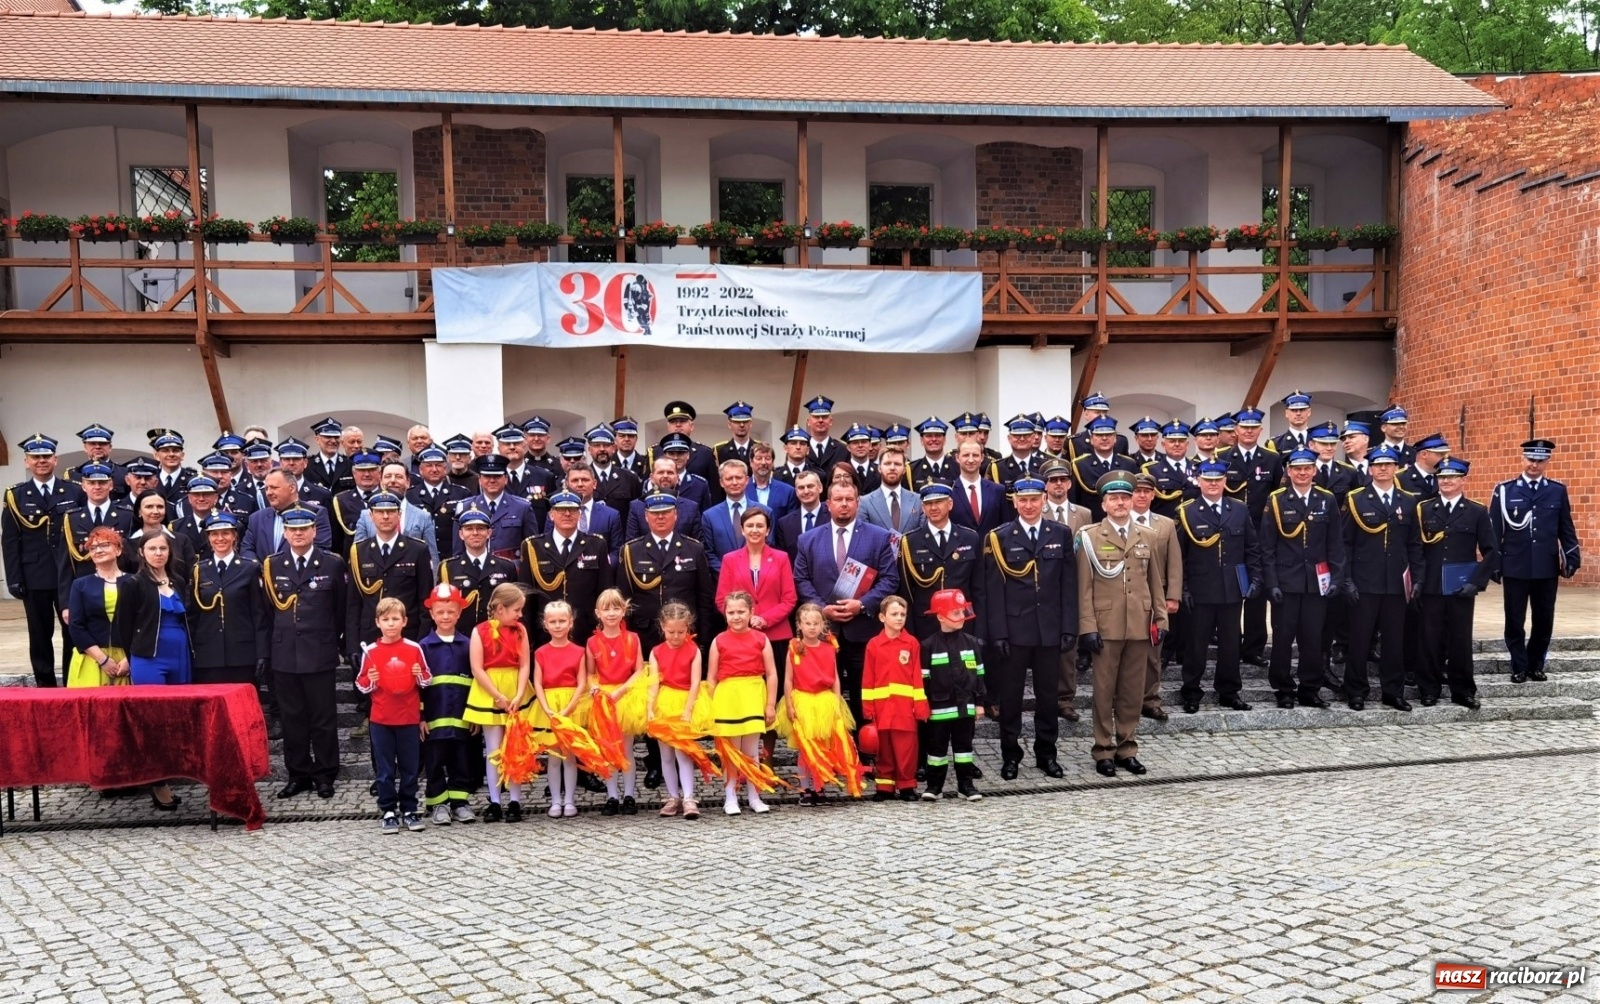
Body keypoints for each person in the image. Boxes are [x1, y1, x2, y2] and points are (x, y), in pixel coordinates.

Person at [979, 477, 1076, 780]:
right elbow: (992, 591)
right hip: (1014, 631)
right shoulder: (1000, 537)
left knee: (1048, 697)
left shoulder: (1060, 533)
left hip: (1049, 629)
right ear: (1015, 502)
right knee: (1010, 699)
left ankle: (1047, 754)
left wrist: (1068, 627)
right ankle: (1011, 756)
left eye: (1035, 499)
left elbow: (1069, 586)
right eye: (1023, 500)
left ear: (1044, 499)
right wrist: (999, 633)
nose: (1029, 505)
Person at [1076, 474, 1167, 778]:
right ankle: (1103, 749)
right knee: (1104, 691)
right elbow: (1083, 587)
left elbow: (1155, 581)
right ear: (1103, 503)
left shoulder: (1147, 535)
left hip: (1139, 625)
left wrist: (1160, 618)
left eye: (1125, 498)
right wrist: (1087, 626)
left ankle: (1127, 747)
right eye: (1113, 498)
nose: (1120, 503)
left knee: (1131, 691)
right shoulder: (1089, 536)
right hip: (1106, 625)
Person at [793, 480, 901, 727]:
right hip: (821, 633)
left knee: (862, 691)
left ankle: (863, 752)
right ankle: (830, 751)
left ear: (857, 502)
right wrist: (822, 610)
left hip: (862, 630)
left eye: (849, 500)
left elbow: (890, 579)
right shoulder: (807, 540)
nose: (844, 505)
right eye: (838, 500)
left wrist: (861, 604)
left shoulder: (879, 537)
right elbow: (801, 579)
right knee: (822, 693)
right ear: (828, 504)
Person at [264, 506, 347, 800]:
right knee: (292, 718)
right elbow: (267, 612)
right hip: (284, 653)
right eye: (292, 529)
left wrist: (333, 641)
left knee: (323, 718)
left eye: (304, 529)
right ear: (285, 532)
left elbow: (340, 608)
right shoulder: (272, 565)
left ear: (314, 531)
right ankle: (298, 774)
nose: (298, 534)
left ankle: (325, 774)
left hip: (319, 652)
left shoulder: (332, 564)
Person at [1258, 451, 1344, 709]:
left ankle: (1310, 688)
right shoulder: (1276, 500)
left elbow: (1335, 543)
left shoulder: (1326, 499)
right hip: (1286, 581)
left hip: (1317, 583)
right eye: (1297, 469)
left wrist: (1337, 578)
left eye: (1307, 468)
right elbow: (1267, 546)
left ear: (1314, 471)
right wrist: (1271, 582)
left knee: (1313, 638)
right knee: (1283, 638)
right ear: (1288, 472)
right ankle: (1283, 688)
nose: (1303, 473)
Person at [1341, 446, 1425, 711]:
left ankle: (1393, 691)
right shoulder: (1356, 499)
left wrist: (1418, 578)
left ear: (1396, 468)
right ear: (1370, 469)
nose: (1383, 469)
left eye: (1389, 464)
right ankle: (1355, 690)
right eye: (1378, 464)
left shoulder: (1409, 500)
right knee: (1360, 640)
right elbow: (1345, 544)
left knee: (1394, 641)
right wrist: (1347, 580)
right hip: (1364, 581)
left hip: (1396, 583)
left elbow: (1414, 544)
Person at [345, 491, 435, 738]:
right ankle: (368, 718)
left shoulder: (417, 550)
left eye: (391, 512)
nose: (385, 516)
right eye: (380, 512)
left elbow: (425, 599)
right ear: (371, 516)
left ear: (399, 515)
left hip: (407, 634)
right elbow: (353, 603)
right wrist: (352, 643)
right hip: (371, 636)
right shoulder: (359, 552)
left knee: (405, 689)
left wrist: (421, 639)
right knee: (375, 692)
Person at [1490, 438, 1580, 684]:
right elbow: (1494, 532)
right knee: (1515, 620)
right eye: (1531, 460)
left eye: (1540, 461)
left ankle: (1536, 664)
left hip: (1545, 567)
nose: (1534, 465)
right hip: (1515, 566)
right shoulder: (1505, 490)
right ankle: (1519, 665)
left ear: (1547, 462)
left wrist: (1572, 557)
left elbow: (1566, 528)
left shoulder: (1556, 490)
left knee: (1544, 620)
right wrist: (1493, 563)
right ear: (1523, 459)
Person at [1174, 462, 1261, 714]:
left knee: (1230, 643)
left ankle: (1229, 691)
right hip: (1200, 589)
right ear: (1199, 481)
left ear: (1225, 481)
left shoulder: (1239, 509)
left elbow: (1251, 548)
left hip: (1232, 588)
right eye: (1208, 479)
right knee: (1196, 644)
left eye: (1218, 479)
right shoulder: (1187, 511)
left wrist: (1255, 578)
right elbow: (1180, 556)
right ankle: (1191, 691)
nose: (1213, 484)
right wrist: (1184, 589)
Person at [4, 433, 86, 686]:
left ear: (55, 459)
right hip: (34, 576)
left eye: (46, 456)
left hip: (69, 574)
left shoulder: (74, 490)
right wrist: (14, 578)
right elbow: (9, 540)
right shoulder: (16, 495)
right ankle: (45, 683)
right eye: (35, 457)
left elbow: (82, 532)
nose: (41, 461)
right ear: (26, 462)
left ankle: (73, 680)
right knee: (39, 633)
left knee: (73, 629)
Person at [1417, 458, 1499, 709]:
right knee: (1429, 640)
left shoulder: (1476, 510)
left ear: (1463, 480)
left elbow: (1492, 550)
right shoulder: (1424, 509)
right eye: (1442, 477)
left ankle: (1462, 691)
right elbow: (1416, 549)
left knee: (1460, 641)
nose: (1447, 481)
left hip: (1461, 589)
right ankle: (1429, 689)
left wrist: (1476, 583)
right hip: (1430, 587)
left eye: (1452, 477)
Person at [355, 596, 433, 834]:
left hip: (408, 719)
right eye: (385, 619)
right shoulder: (370, 651)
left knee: (410, 767)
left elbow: (427, 679)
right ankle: (388, 810)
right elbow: (360, 683)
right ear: (378, 622)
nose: (391, 623)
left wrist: (419, 674)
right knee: (385, 769)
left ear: (404, 621)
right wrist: (371, 681)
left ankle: (409, 808)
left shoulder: (414, 648)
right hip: (381, 720)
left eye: (395, 619)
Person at [777, 601, 860, 806]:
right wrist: (789, 705)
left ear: (823, 625)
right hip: (803, 700)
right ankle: (805, 789)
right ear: (799, 625)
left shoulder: (829, 648)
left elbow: (835, 677)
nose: (812, 627)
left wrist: (837, 702)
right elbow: (788, 679)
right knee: (806, 748)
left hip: (824, 701)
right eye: (807, 623)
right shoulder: (794, 648)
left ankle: (819, 787)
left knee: (822, 746)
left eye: (816, 623)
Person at [463, 582, 533, 822]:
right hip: (490, 690)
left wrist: (518, 693)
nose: (520, 614)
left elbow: (525, 663)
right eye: (517, 610)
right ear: (501, 609)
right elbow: (477, 667)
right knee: (494, 750)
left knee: (514, 748)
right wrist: (497, 696)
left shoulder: (520, 630)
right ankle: (495, 801)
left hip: (515, 687)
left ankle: (514, 801)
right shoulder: (479, 631)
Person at [707, 591, 779, 815]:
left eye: (741, 611)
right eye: (731, 612)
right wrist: (710, 705)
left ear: (751, 612)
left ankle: (754, 795)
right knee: (731, 750)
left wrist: (769, 704)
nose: (736, 616)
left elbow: (772, 673)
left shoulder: (761, 639)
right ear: (725, 613)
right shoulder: (718, 640)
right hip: (728, 696)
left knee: (751, 751)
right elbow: (711, 677)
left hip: (752, 694)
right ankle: (730, 796)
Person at [185, 511, 270, 692]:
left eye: (226, 533)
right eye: (214, 534)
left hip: (243, 655)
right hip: (208, 655)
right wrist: (191, 652)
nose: (220, 538)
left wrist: (262, 653)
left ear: (234, 536)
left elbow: (259, 614)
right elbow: (192, 616)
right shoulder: (199, 570)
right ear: (208, 538)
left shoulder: (250, 568)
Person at [418, 584, 479, 825]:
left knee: (461, 761)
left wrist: (476, 714)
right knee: (433, 763)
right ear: (432, 614)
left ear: (459, 613)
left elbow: (476, 683)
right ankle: (438, 804)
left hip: (463, 718)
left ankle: (460, 803)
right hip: (434, 721)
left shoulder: (468, 646)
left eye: (450, 612)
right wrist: (420, 718)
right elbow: (419, 688)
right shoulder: (423, 647)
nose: (445, 616)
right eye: (440, 612)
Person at [519, 490, 614, 644]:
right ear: (551, 515)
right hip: (545, 633)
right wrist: (527, 636)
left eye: (573, 510)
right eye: (561, 510)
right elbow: (526, 598)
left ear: (580, 515)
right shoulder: (532, 546)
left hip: (586, 632)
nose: (567, 514)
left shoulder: (596, 545)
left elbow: (605, 592)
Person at [918, 588, 985, 801]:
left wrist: (980, 703)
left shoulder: (972, 643)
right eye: (956, 613)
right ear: (940, 616)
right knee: (936, 750)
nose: (961, 617)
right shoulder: (928, 646)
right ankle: (934, 786)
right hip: (938, 708)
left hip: (965, 707)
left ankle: (966, 786)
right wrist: (925, 706)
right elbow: (924, 680)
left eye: (962, 611)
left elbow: (980, 675)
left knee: (964, 748)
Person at [1127, 473, 1183, 721]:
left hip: (1156, 595)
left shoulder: (1165, 524)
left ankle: (1150, 700)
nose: (1141, 496)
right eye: (1136, 491)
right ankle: (1125, 698)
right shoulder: (1114, 522)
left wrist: (1173, 596)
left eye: (1145, 492)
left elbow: (1175, 562)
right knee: (1124, 648)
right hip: (1125, 594)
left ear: (1153, 495)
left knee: (1153, 650)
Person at [647, 601, 711, 820]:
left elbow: (695, 682)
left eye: (681, 632)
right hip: (664, 702)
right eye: (671, 631)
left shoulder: (693, 650)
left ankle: (689, 797)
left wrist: (688, 708)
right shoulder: (656, 652)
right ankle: (673, 796)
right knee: (665, 755)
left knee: (683, 752)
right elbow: (654, 682)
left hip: (686, 700)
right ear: (662, 627)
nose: (675, 636)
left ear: (688, 628)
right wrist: (649, 708)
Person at [586, 589, 647, 815]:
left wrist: (621, 691)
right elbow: (590, 673)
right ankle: (612, 795)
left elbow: (639, 669)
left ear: (624, 610)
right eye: (606, 609)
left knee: (627, 749)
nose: (611, 613)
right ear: (597, 613)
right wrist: (593, 686)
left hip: (626, 696)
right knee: (607, 749)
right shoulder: (592, 642)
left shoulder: (632, 638)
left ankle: (629, 795)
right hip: (604, 699)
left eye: (616, 608)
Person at [860, 595, 926, 802]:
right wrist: (867, 706)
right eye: (894, 614)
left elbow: (917, 676)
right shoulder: (873, 644)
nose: (899, 618)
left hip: (904, 708)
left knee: (906, 748)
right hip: (881, 708)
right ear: (882, 617)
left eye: (903, 614)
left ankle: (907, 785)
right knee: (884, 748)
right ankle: (884, 787)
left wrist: (920, 705)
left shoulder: (912, 643)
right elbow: (867, 677)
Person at [531, 600, 589, 819]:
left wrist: (567, 709)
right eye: (553, 621)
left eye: (562, 621)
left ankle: (570, 800)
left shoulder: (578, 651)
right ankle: (556, 800)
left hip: (571, 705)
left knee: (569, 756)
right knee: (553, 757)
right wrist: (547, 709)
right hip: (548, 705)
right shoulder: (541, 652)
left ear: (570, 623)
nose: (557, 625)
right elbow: (537, 682)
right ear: (545, 624)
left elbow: (581, 682)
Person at [56, 463, 137, 613]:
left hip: (121, 589)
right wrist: (66, 604)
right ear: (83, 486)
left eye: (102, 482)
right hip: (83, 591)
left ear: (111, 485)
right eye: (91, 483)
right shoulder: (71, 518)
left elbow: (134, 559)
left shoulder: (127, 516)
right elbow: (65, 564)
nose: (97, 487)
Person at [714, 506, 796, 650]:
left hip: (776, 634)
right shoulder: (729, 559)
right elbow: (722, 599)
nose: (754, 530)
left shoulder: (781, 558)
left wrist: (765, 619)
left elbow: (789, 599)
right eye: (749, 526)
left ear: (768, 530)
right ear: (742, 530)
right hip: (740, 634)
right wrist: (744, 619)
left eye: (760, 526)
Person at [64, 526, 135, 688]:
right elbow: (76, 626)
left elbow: (143, 623)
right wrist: (102, 659)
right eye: (93, 547)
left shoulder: (135, 582)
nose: (98, 550)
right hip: (91, 657)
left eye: (104, 545)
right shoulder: (80, 585)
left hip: (126, 659)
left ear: (118, 550)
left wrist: (130, 659)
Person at [439, 508, 518, 632]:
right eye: (469, 529)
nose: (475, 533)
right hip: (462, 638)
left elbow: (514, 606)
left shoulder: (506, 567)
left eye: (480, 528)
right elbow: (442, 607)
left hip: (497, 636)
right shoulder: (448, 568)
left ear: (489, 533)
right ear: (461, 534)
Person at [454, 454, 541, 558]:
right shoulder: (465, 507)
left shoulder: (522, 507)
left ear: (506, 479)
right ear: (479, 480)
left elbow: (531, 549)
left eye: (497, 476)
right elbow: (458, 551)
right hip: (476, 571)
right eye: (487, 476)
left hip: (512, 571)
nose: (492, 480)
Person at [354, 463, 439, 566]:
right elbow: (357, 555)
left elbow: (432, 558)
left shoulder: (423, 517)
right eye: (388, 476)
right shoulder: (366, 515)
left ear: (408, 482)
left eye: (398, 476)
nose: (393, 480)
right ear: (381, 482)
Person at [241, 471, 333, 561]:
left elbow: (320, 550)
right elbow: (246, 550)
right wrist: (264, 571)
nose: (268, 493)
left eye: (274, 487)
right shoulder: (256, 518)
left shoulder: (316, 513)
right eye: (266, 488)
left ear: (292, 488)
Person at [123, 489, 195, 588]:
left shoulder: (182, 540)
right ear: (139, 511)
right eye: (149, 507)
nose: (155, 511)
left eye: (160, 507)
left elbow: (191, 577)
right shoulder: (127, 544)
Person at [701, 460, 758, 572]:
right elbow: (709, 553)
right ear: (721, 482)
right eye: (729, 478)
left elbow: (769, 547)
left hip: (757, 579)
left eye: (738, 477)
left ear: (747, 480)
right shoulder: (709, 516)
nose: (734, 482)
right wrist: (729, 574)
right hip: (723, 580)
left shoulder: (763, 512)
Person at [859, 448, 923, 539]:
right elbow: (864, 537)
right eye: (887, 463)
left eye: (897, 464)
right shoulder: (864, 502)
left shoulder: (917, 500)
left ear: (904, 469)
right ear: (879, 468)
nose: (892, 468)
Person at [950, 439, 1009, 534]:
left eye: (975, 455)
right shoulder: (949, 491)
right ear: (957, 458)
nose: (971, 460)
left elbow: (1005, 528)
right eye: (966, 455)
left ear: (982, 458)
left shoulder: (998, 491)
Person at [775, 470, 826, 556]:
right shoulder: (785, 524)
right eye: (801, 488)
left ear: (820, 488)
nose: (806, 491)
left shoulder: (833, 517)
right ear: (796, 492)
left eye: (810, 486)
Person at [743, 442, 796, 519]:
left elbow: (790, 522)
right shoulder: (742, 489)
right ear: (751, 462)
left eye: (767, 458)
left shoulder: (788, 491)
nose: (763, 462)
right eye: (759, 458)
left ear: (773, 462)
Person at [802, 395, 845, 471]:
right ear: (808, 422)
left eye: (824, 416)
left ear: (831, 421)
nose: (820, 420)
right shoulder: (801, 448)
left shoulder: (842, 449)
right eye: (816, 417)